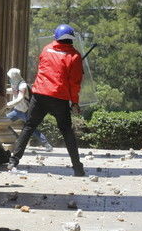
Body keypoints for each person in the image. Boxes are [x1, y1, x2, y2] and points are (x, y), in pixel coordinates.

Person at [7, 24, 85, 177]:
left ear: (56, 37)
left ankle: (13, 162)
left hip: (40, 95)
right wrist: (74, 102)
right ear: (71, 39)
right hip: (59, 98)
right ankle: (77, 168)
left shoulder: (46, 49)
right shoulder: (75, 56)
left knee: (29, 127)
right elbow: (74, 83)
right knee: (66, 131)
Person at [5, 67, 53, 151]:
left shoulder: (22, 85)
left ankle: (46, 144)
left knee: (31, 128)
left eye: (10, 77)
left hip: (25, 111)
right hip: (16, 110)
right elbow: (12, 90)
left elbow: (20, 98)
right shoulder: (15, 83)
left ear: (15, 76)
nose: (10, 79)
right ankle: (16, 137)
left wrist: (8, 105)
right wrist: (0, 91)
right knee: (4, 123)